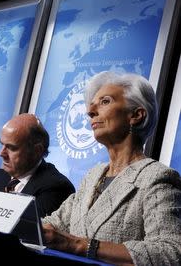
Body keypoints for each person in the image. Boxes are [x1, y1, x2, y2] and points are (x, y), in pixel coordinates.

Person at [42, 71, 181, 265]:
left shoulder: (157, 177)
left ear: (136, 115)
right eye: (92, 104)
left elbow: (170, 252)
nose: (90, 111)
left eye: (105, 101)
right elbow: (54, 224)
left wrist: (80, 245)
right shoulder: (93, 176)